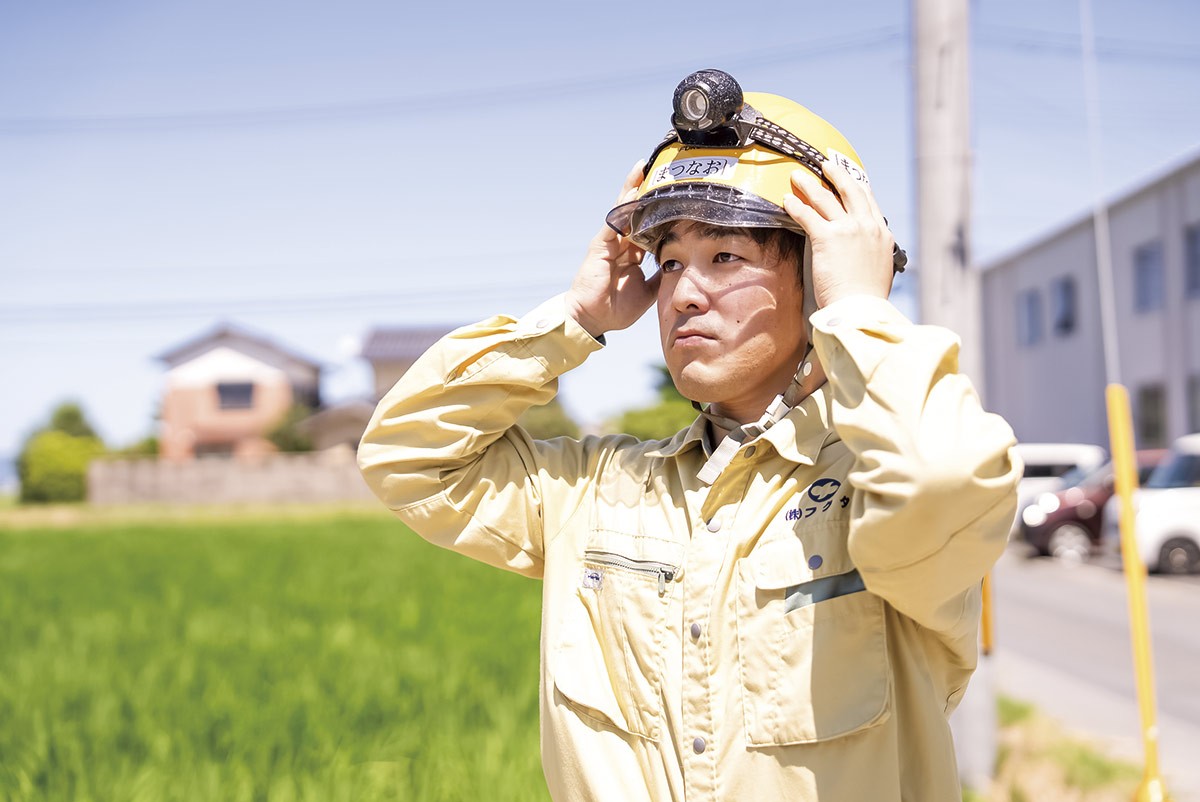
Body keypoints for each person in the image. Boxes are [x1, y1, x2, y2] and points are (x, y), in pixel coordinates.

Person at [358, 69, 1020, 801]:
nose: (684, 293)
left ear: (819, 272)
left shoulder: (873, 481)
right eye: (669, 261)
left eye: (725, 256)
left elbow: (943, 478)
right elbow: (408, 457)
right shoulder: (599, 491)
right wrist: (574, 322)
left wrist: (858, 311)